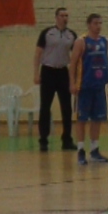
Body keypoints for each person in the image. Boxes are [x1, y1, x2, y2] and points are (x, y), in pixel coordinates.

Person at [35, 8, 78, 153]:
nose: (65, 18)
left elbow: (76, 56)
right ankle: (43, 140)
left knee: (66, 108)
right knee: (45, 107)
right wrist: (36, 73)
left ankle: (67, 140)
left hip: (63, 72)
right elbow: (38, 53)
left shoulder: (71, 35)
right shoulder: (47, 33)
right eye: (62, 15)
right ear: (56, 17)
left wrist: (75, 78)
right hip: (48, 71)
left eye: (66, 15)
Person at [70, 14, 108, 164]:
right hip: (84, 86)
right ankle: (81, 151)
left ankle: (94, 150)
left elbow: (105, 63)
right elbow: (73, 64)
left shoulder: (105, 41)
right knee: (82, 119)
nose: (98, 26)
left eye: (100, 23)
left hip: (99, 86)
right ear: (89, 25)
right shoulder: (81, 42)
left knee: (97, 119)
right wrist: (72, 83)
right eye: (95, 23)